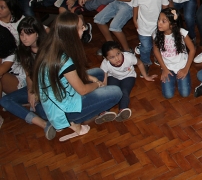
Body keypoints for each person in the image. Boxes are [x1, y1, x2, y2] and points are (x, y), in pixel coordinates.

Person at [33, 12, 122, 141]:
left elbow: (67, 75)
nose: (84, 29)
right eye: (82, 27)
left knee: (98, 72)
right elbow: (82, 90)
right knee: (116, 93)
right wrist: (97, 85)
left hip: (55, 96)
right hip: (64, 108)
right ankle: (74, 121)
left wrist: (92, 79)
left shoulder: (52, 45)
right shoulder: (63, 59)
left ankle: (89, 111)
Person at [0, 18, 52, 137]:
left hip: (49, 87)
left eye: (28, 34)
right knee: (4, 101)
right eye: (22, 34)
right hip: (34, 85)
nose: (24, 38)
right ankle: (43, 124)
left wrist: (37, 92)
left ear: (37, 33)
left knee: (44, 111)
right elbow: (29, 74)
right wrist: (30, 90)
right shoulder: (24, 50)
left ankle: (34, 107)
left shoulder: (48, 49)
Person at [100, 41, 156, 121]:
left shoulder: (129, 57)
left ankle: (122, 110)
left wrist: (146, 76)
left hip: (128, 76)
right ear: (106, 58)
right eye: (112, 57)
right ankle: (104, 112)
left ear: (121, 51)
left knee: (124, 91)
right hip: (113, 77)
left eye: (118, 54)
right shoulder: (105, 63)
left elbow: (139, 63)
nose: (117, 58)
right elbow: (104, 78)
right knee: (111, 92)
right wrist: (104, 89)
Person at [153, 8, 196, 99]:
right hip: (167, 66)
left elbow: (192, 49)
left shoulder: (182, 33)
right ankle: (172, 76)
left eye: (163, 21)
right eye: (159, 20)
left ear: (172, 25)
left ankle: (181, 77)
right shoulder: (157, 34)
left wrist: (186, 69)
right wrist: (164, 68)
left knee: (185, 94)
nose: (159, 23)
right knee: (168, 95)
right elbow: (156, 50)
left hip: (182, 65)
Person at [132, 0, 168, 67]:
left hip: (158, 25)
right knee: (146, 47)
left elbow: (165, 6)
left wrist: (165, 21)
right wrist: (134, 19)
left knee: (159, 44)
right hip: (143, 25)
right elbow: (135, 6)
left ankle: (158, 57)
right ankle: (145, 62)